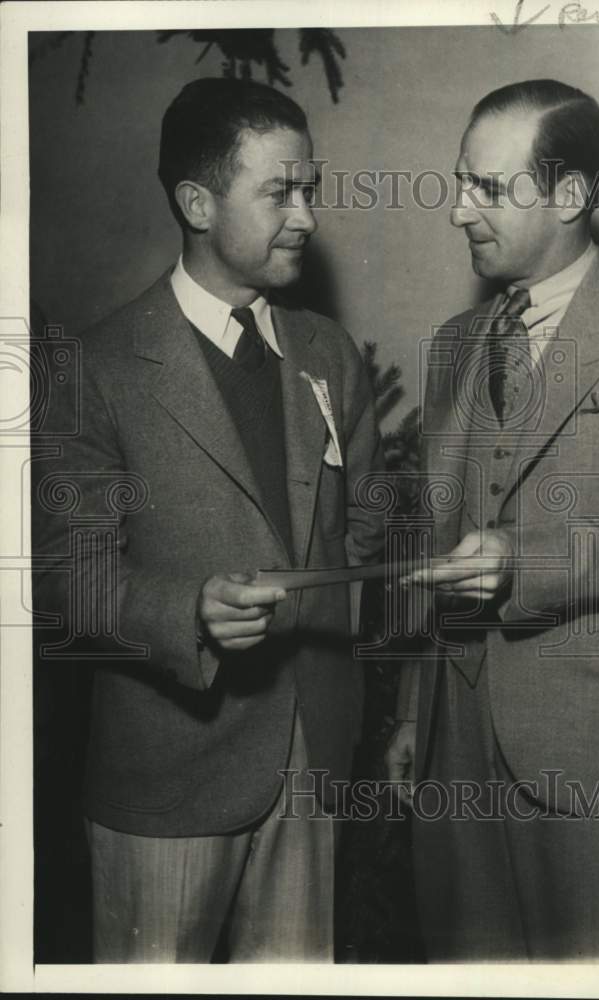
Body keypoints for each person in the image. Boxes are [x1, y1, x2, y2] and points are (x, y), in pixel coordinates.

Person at [32, 78, 384, 963]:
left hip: (313, 766)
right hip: (167, 778)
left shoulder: (328, 354)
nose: (305, 215)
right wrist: (186, 609)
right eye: (278, 192)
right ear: (196, 201)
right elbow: (65, 577)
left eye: (310, 188)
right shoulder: (97, 367)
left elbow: (367, 531)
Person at [386, 79, 599, 960]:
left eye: (488, 189)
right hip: (453, 750)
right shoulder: (456, 343)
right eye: (461, 182)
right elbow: (436, 537)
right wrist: (414, 715)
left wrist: (527, 564)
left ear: (569, 196)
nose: (459, 210)